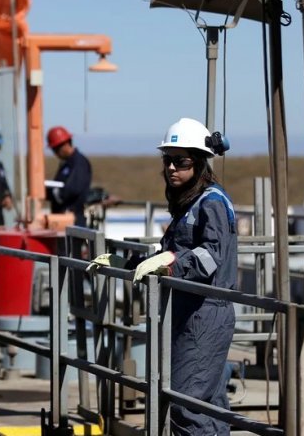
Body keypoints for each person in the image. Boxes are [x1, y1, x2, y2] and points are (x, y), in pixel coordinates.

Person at [86, 117, 236, 436]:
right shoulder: (189, 204)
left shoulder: (212, 204)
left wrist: (170, 262)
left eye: (180, 161)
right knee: (209, 405)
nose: (171, 168)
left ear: (198, 163)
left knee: (185, 404)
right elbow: (173, 252)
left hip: (205, 313)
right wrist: (130, 262)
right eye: (167, 160)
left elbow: (210, 257)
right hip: (185, 311)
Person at [45, 126, 92, 227]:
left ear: (66, 144)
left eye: (56, 149)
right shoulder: (66, 164)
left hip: (73, 220)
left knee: (69, 243)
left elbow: (72, 189)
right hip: (62, 220)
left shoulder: (79, 163)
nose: (55, 153)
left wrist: (54, 193)